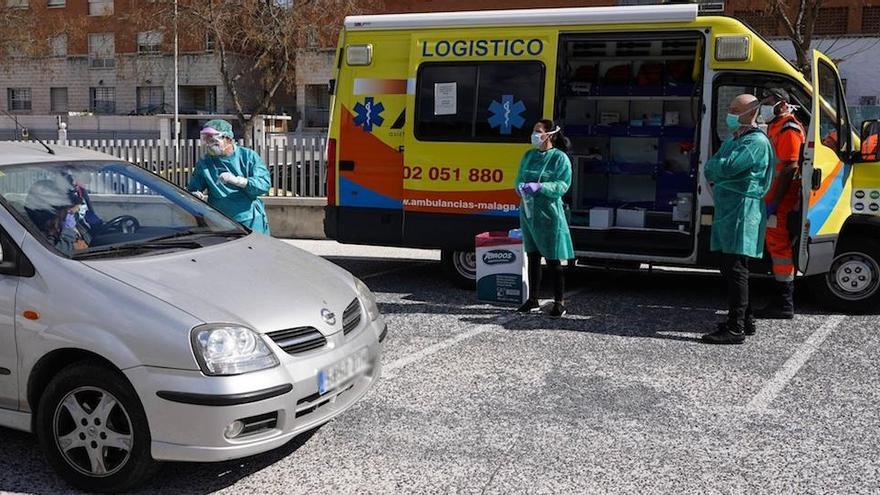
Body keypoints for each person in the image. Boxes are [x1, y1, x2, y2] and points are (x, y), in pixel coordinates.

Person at [702, 94, 776, 344]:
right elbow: (710, 166)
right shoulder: (736, 139)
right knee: (731, 267)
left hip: (742, 210)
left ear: (749, 112)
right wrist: (718, 167)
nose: (729, 113)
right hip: (730, 209)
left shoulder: (755, 142)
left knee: (736, 269)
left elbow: (728, 167)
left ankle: (735, 328)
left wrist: (718, 168)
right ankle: (745, 319)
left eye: (734, 109)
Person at [514, 119, 574, 317]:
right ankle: (533, 300)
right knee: (532, 256)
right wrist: (521, 187)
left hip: (549, 215)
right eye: (534, 130)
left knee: (552, 259)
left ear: (550, 134)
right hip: (529, 213)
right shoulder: (528, 155)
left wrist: (541, 187)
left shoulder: (559, 158)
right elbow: (518, 179)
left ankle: (559, 302)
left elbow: (562, 185)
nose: (534, 135)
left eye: (538, 131)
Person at [754, 89, 805, 320]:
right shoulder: (776, 126)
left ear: (782, 104)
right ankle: (780, 298)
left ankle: (784, 302)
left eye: (768, 102)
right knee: (775, 246)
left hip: (781, 198)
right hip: (773, 196)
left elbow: (789, 168)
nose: (764, 106)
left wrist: (774, 202)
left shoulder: (788, 128)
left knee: (780, 248)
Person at [187, 119, 272, 235]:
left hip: (248, 220)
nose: (209, 144)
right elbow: (193, 188)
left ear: (227, 139)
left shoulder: (248, 156)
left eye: (213, 140)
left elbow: (264, 184)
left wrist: (239, 181)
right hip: (219, 222)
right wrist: (194, 195)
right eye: (206, 140)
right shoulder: (205, 162)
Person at [24, 179, 90, 255]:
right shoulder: (36, 232)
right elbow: (50, 254)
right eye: (68, 208)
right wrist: (71, 244)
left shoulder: (73, 222)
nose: (77, 210)